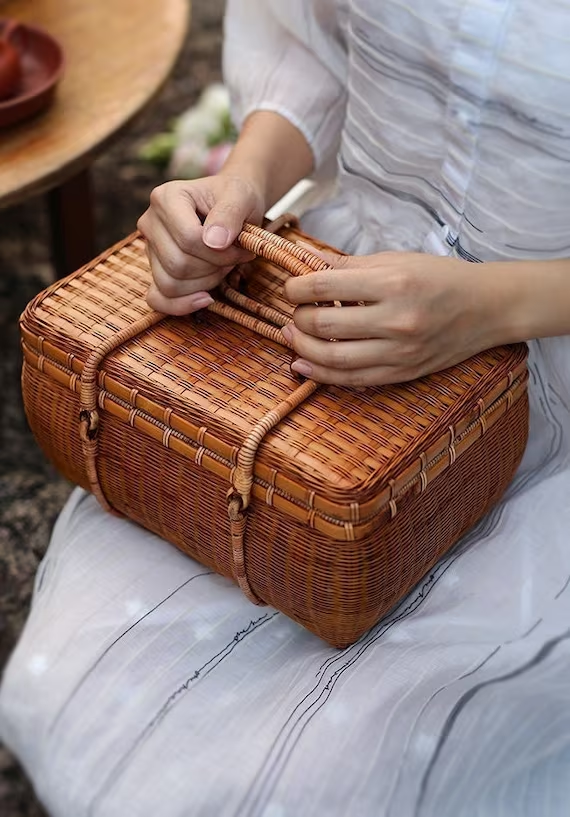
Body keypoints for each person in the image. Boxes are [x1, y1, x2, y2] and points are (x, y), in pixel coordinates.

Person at [2, 2, 570, 815]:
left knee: (344, 778)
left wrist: (495, 305)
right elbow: (312, 43)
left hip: (550, 349)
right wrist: (241, 189)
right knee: (75, 707)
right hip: (327, 292)